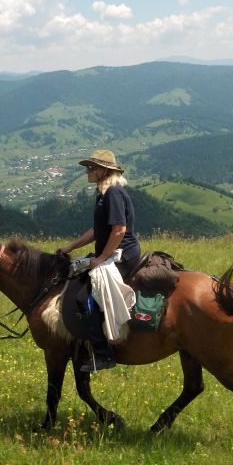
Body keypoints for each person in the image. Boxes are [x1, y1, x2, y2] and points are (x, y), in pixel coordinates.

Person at [58, 149, 141, 372]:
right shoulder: (105, 193)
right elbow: (97, 230)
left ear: (104, 171)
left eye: (91, 168)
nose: (87, 172)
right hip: (111, 253)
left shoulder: (113, 193)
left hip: (121, 255)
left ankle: (104, 355)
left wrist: (101, 258)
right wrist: (70, 247)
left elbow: (119, 230)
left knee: (86, 297)